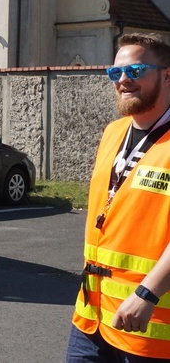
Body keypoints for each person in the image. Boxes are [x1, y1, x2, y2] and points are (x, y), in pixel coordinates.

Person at [67, 33, 170, 361]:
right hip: (91, 319)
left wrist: (147, 294)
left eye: (135, 71)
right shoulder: (113, 133)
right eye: (115, 73)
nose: (123, 80)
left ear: (167, 75)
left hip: (148, 324)